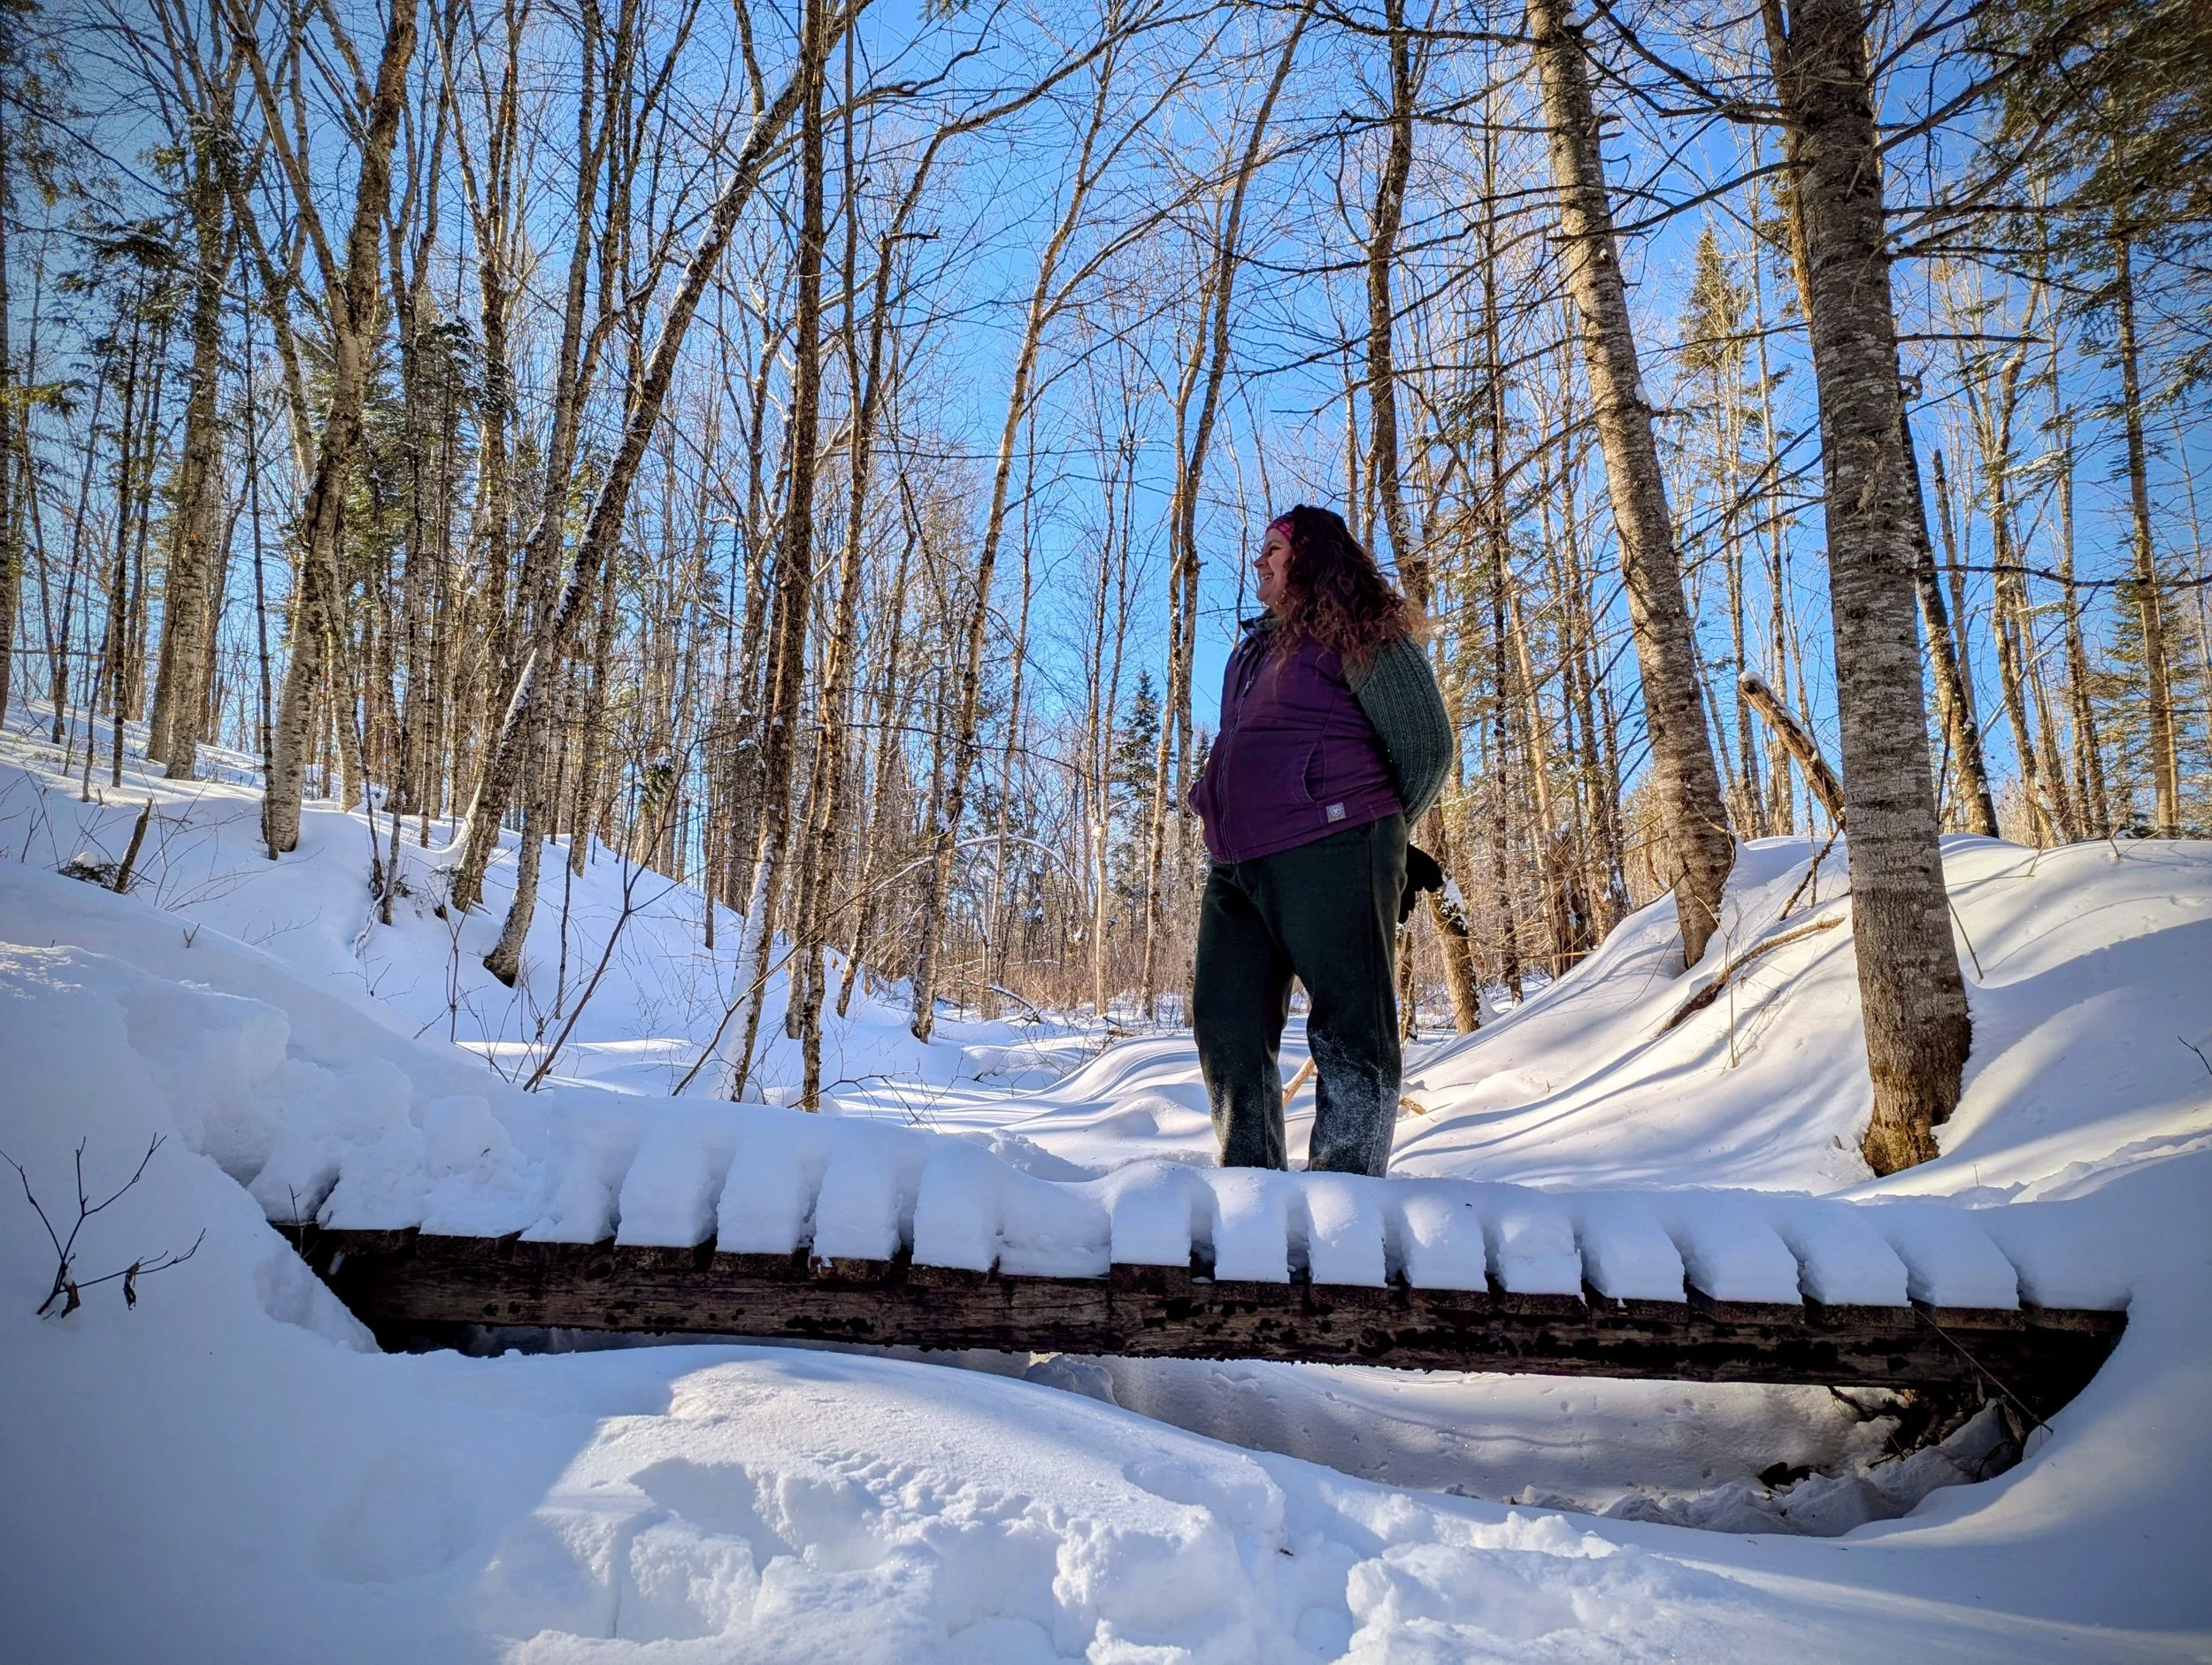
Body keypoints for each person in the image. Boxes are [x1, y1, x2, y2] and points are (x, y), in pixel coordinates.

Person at [1187, 504, 1452, 1178]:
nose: (1260, 561)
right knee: (1226, 1023)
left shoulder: (1359, 627)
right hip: (1238, 862)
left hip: (1332, 845)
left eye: (1273, 549)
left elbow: (1426, 746)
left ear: (1310, 557)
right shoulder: (1250, 652)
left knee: (1351, 1024)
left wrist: (1379, 841)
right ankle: (1251, 1187)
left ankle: (1346, 1196)